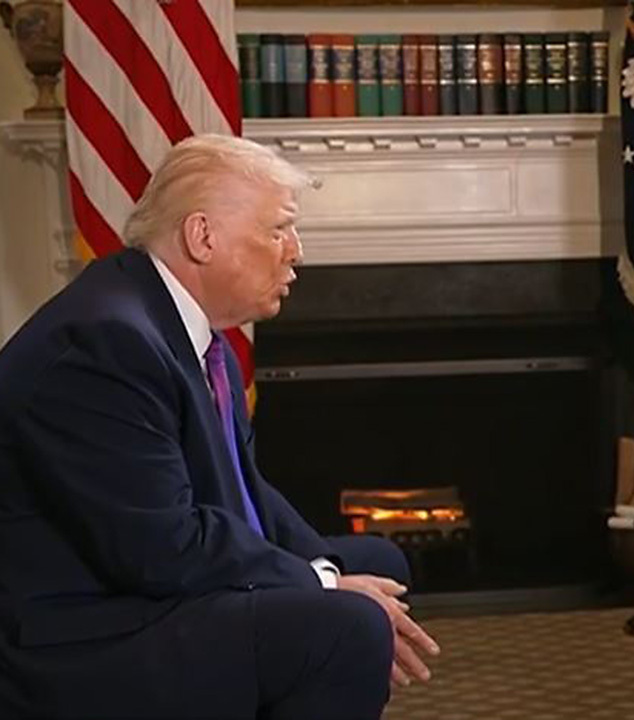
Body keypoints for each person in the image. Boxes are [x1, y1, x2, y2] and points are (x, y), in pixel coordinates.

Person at [0, 134, 439, 719]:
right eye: (278, 230)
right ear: (202, 236)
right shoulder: (106, 344)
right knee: (348, 625)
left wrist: (325, 569)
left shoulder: (190, 333)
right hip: (84, 631)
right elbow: (162, 548)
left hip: (145, 581)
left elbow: (246, 490)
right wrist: (322, 586)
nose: (296, 252)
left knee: (380, 568)